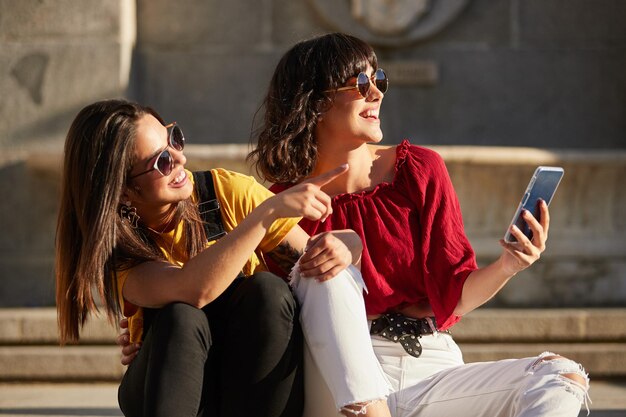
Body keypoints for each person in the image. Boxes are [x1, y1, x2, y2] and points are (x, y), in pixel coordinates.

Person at [246, 32, 591, 417]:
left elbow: (454, 291)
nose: (376, 93)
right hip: (337, 378)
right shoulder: (282, 202)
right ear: (315, 102)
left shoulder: (419, 170)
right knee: (323, 262)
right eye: (361, 84)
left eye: (379, 80)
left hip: (430, 365)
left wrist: (509, 265)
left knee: (561, 375)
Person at [56, 99, 377, 417]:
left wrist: (349, 244)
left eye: (174, 139)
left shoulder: (224, 191)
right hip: (176, 391)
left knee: (269, 291)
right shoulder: (119, 251)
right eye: (161, 162)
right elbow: (193, 290)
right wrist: (265, 214)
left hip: (252, 385)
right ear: (124, 191)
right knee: (180, 317)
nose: (180, 159)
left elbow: (319, 264)